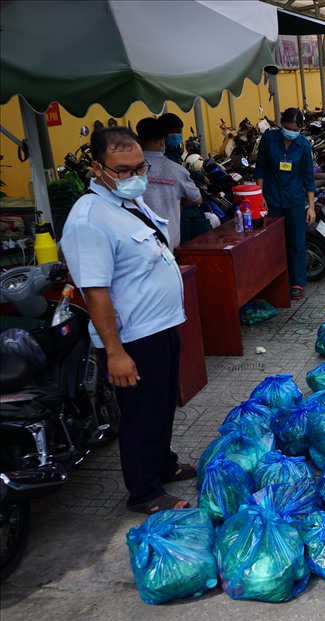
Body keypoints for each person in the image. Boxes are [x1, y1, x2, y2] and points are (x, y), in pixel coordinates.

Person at [61, 126, 193, 515]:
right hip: (133, 336)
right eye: (123, 170)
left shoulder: (126, 204)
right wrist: (115, 353)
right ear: (96, 167)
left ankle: (163, 464)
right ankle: (145, 491)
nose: (135, 177)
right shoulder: (88, 218)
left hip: (161, 326)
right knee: (140, 412)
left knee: (162, 403)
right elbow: (95, 292)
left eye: (139, 168)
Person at [254, 107, 316, 301]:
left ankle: (297, 281)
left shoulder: (304, 145)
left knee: (296, 241)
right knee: (272, 241)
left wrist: (311, 207)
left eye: (295, 129)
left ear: (300, 129)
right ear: (281, 124)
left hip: (295, 199)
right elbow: (260, 168)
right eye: (288, 127)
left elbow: (309, 177)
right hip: (271, 198)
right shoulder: (269, 139)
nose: (291, 133)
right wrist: (259, 195)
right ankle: (274, 279)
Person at [135, 117, 202, 249]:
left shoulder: (128, 169)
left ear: (139, 140)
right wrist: (178, 199)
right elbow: (197, 199)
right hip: (169, 242)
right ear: (162, 141)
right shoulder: (176, 170)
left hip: (138, 244)